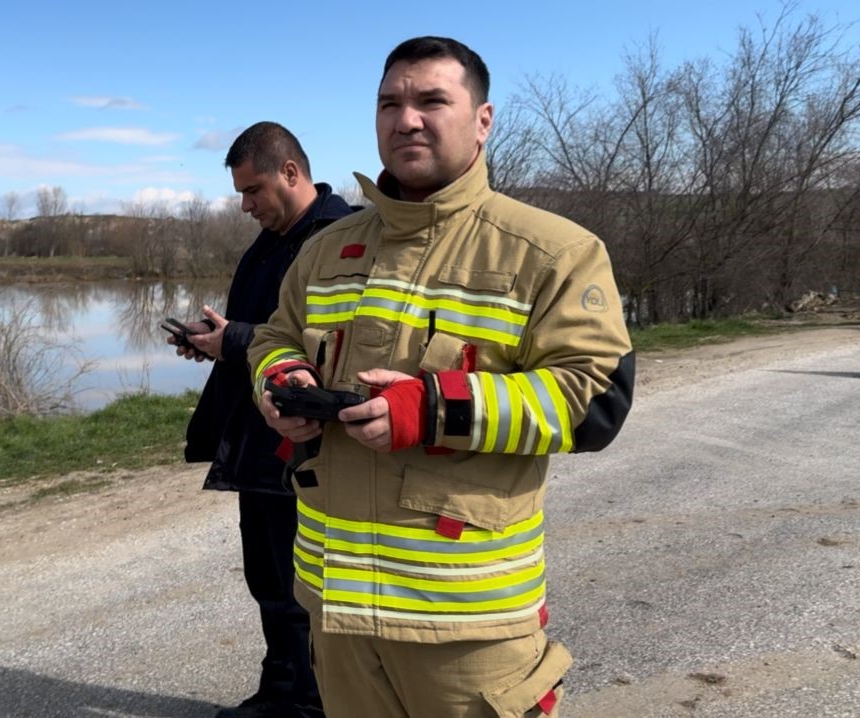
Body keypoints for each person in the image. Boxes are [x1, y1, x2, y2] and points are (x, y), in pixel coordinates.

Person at [248, 37, 634, 718]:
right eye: (390, 102)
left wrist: (431, 409)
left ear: (482, 120)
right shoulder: (324, 251)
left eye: (432, 100)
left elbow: (593, 399)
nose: (406, 119)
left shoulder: (555, 251)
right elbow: (276, 336)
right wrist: (282, 384)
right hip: (336, 610)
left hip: (466, 625)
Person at [175, 122, 353, 718]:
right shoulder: (272, 239)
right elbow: (263, 332)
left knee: (301, 585)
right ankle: (280, 693)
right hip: (257, 435)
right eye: (241, 194)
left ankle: (308, 704)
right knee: (269, 582)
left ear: (291, 173)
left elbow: (333, 345)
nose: (246, 204)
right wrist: (215, 341)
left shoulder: (338, 238)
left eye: (253, 191)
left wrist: (235, 340)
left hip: (304, 445)